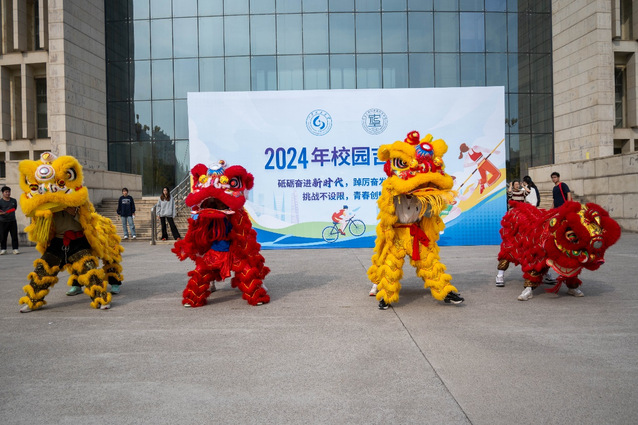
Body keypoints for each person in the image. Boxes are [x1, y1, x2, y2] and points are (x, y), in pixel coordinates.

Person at [0, 186, 19, 255]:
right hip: (3, 221)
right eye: (6, 192)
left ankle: (15, 249)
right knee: (3, 236)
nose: (8, 193)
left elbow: (15, 208)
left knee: (14, 235)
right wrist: (1, 213)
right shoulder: (0, 201)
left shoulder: (13, 200)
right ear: (3, 193)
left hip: (12, 220)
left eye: (9, 192)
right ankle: (3, 249)